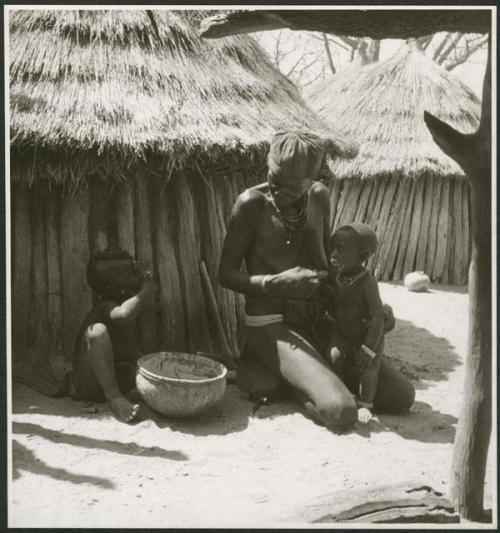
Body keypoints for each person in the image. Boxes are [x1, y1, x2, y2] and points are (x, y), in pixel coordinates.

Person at [219, 130, 415, 432]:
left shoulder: (318, 199)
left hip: (314, 320)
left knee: (401, 396)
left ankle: (284, 376)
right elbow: (225, 274)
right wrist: (271, 283)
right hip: (270, 323)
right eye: (274, 176)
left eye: (290, 185)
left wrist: (372, 307)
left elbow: (330, 268)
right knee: (341, 412)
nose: (276, 186)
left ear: (310, 179)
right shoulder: (251, 204)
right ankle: (291, 377)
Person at [68, 248, 154, 423]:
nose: (137, 277)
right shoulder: (105, 306)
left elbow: (133, 350)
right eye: (131, 275)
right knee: (96, 331)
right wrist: (148, 287)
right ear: (113, 287)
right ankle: (115, 398)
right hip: (86, 385)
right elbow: (124, 314)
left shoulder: (119, 303)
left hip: (111, 381)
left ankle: (122, 392)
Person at [325, 223, 384, 424]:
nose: (333, 253)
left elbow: (377, 317)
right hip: (343, 333)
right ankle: (347, 394)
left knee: (368, 370)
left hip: (366, 336)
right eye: (333, 247)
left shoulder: (368, 283)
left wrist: (368, 348)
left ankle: (367, 404)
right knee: (334, 357)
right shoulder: (339, 275)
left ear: (362, 257)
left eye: (341, 250)